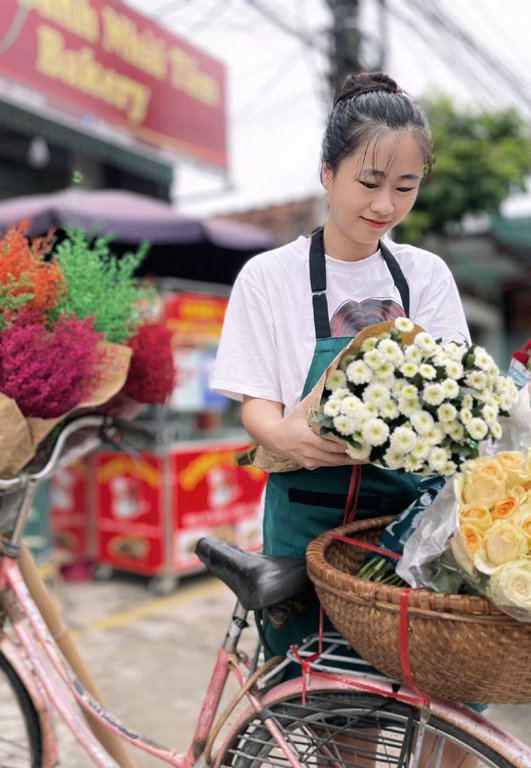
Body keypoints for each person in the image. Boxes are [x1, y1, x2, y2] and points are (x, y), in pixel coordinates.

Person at [211, 72, 471, 661]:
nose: (386, 205)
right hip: (304, 524)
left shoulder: (426, 276)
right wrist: (283, 435)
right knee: (330, 705)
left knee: (431, 694)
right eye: (370, 182)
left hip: (410, 522)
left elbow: (454, 395)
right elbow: (256, 403)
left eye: (405, 186)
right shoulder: (267, 277)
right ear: (327, 172)